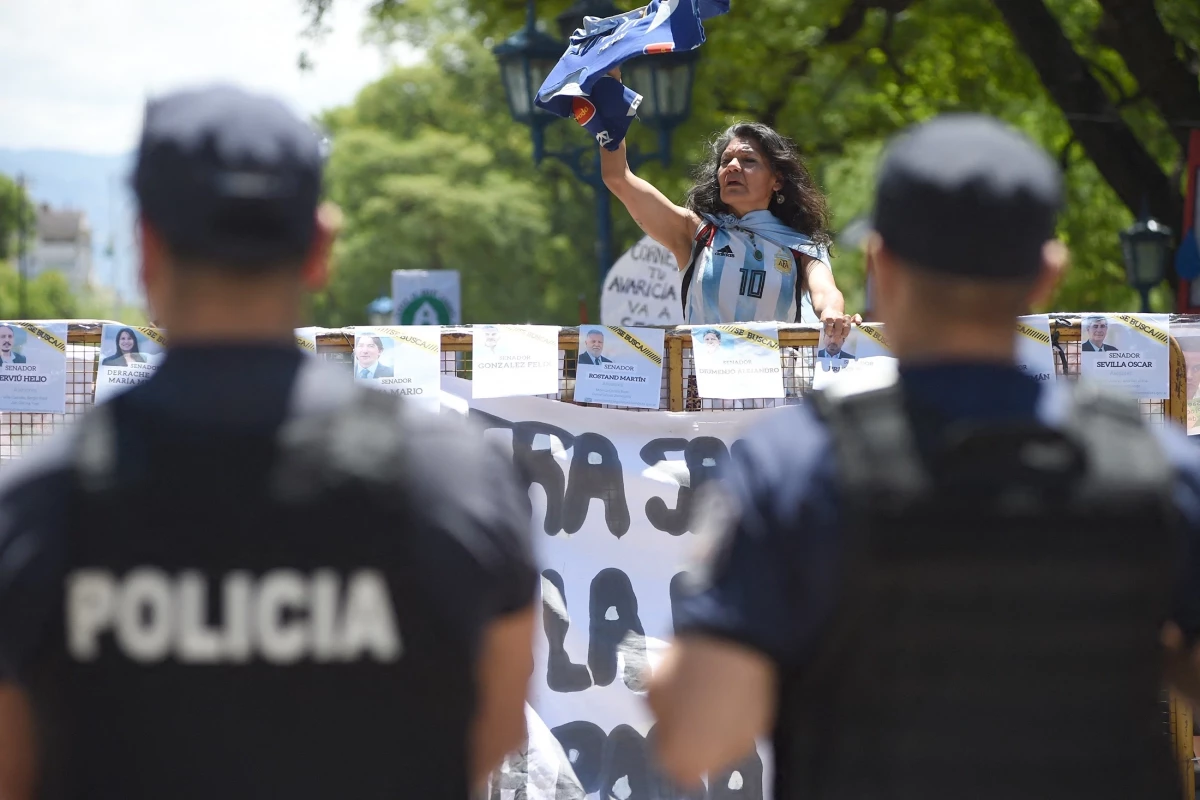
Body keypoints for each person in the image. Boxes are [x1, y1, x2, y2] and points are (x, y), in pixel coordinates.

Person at [0, 84, 536, 800]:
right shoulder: (456, 476)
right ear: (320, 248)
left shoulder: (39, 502)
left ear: (145, 250)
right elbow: (496, 732)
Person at [648, 114, 1200, 800]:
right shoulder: (1156, 467)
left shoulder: (790, 469)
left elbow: (696, 736)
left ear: (881, 267)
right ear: (1047, 274)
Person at [599, 71, 859, 339]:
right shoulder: (696, 233)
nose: (733, 167)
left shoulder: (801, 246)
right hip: (698, 379)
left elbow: (826, 292)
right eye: (726, 161)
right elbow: (617, 177)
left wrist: (832, 313)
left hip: (776, 380)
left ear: (777, 181)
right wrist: (610, 98)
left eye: (748, 161)